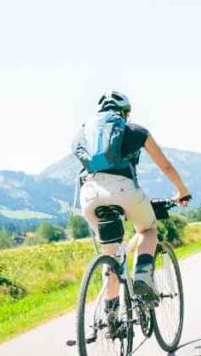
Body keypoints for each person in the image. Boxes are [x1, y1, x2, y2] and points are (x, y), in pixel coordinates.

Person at [73, 90, 190, 315]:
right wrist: (182, 191)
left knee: (112, 256)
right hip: (123, 189)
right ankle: (143, 277)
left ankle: (111, 317)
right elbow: (165, 166)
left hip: (89, 194)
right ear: (125, 113)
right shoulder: (135, 130)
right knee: (147, 229)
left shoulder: (84, 133)